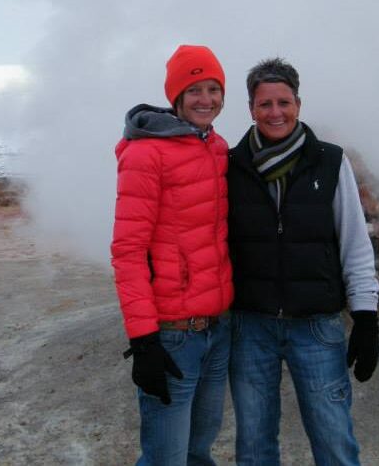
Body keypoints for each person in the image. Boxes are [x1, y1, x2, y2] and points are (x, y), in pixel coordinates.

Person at [227, 57, 379, 466]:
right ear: (251, 109)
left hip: (315, 326)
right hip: (250, 325)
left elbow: (354, 241)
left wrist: (366, 316)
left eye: (284, 102)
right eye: (265, 104)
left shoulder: (330, 161)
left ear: (298, 103)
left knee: (333, 440)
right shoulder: (230, 166)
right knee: (254, 446)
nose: (275, 112)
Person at [111, 44, 234, 465]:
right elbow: (127, 250)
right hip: (172, 334)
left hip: (217, 330)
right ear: (176, 97)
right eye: (195, 89)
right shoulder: (147, 154)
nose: (206, 99)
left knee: (199, 451)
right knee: (167, 457)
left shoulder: (216, 148)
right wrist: (143, 341)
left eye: (214, 89)